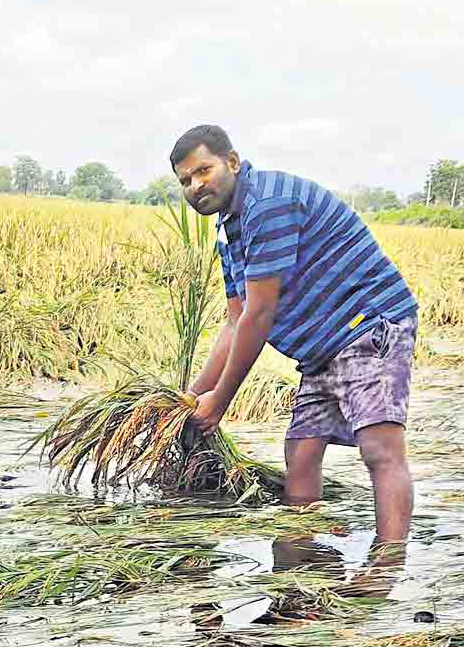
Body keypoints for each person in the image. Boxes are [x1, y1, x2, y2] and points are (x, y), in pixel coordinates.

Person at [171, 125, 418, 545]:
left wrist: (221, 402)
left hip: (368, 326)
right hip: (321, 349)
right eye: (185, 181)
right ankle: (299, 561)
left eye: (203, 171)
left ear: (232, 162)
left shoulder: (268, 205)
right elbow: (235, 321)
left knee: (379, 449)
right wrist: (189, 399)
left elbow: (260, 313)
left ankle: (386, 567)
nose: (196, 186)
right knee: (301, 454)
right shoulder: (229, 229)